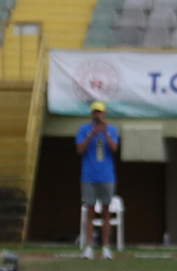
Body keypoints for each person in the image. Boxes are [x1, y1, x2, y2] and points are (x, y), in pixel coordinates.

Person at [75, 101, 119, 260]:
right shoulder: (84, 129)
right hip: (88, 177)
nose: (97, 115)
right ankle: (89, 247)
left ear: (104, 114)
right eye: (95, 112)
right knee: (90, 212)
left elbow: (114, 148)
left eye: (100, 112)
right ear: (92, 114)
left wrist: (105, 132)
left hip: (107, 177)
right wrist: (91, 133)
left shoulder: (111, 129)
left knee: (106, 212)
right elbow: (79, 150)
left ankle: (106, 247)